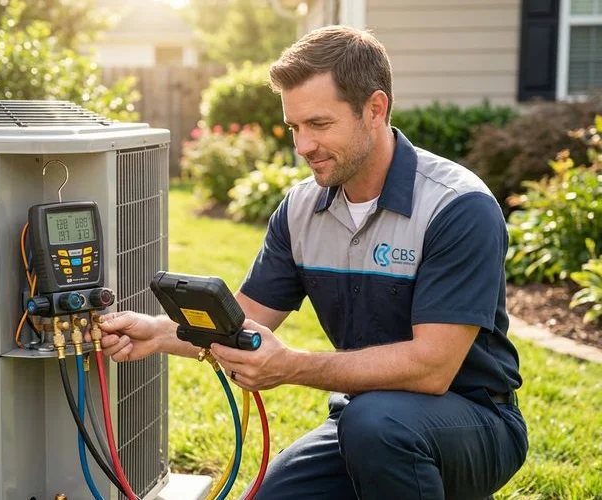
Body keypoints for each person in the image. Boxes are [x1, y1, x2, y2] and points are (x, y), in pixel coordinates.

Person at [98, 25, 528, 500]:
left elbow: (432, 368)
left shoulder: (456, 206)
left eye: (319, 125)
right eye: (295, 128)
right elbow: (242, 322)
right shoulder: (302, 208)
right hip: (366, 422)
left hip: (474, 419)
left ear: (375, 109)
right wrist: (156, 333)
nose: (303, 147)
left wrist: (293, 366)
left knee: (375, 425)